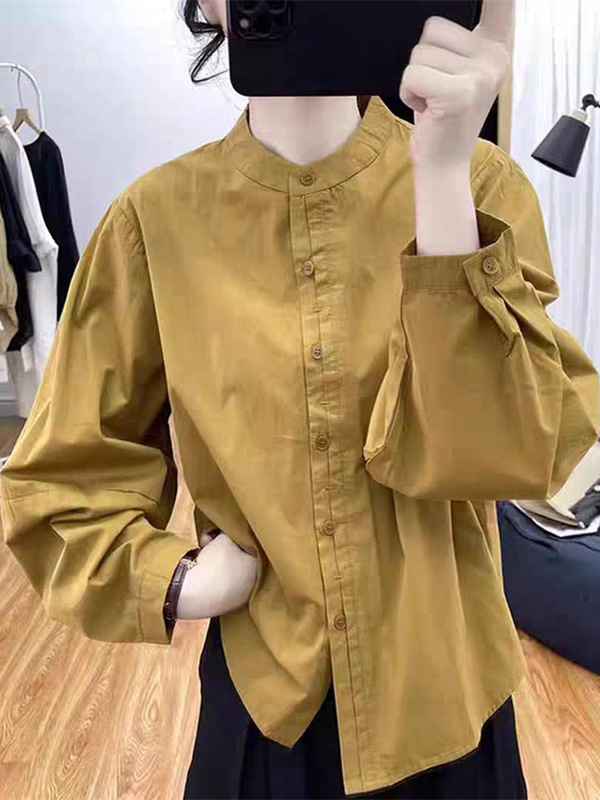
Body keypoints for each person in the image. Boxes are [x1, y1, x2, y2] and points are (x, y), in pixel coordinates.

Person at [1, 0, 599, 798]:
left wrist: (443, 178)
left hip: (449, 699)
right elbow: (60, 478)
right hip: (266, 712)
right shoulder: (154, 222)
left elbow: (512, 452)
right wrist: (176, 581)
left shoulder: (481, 187)